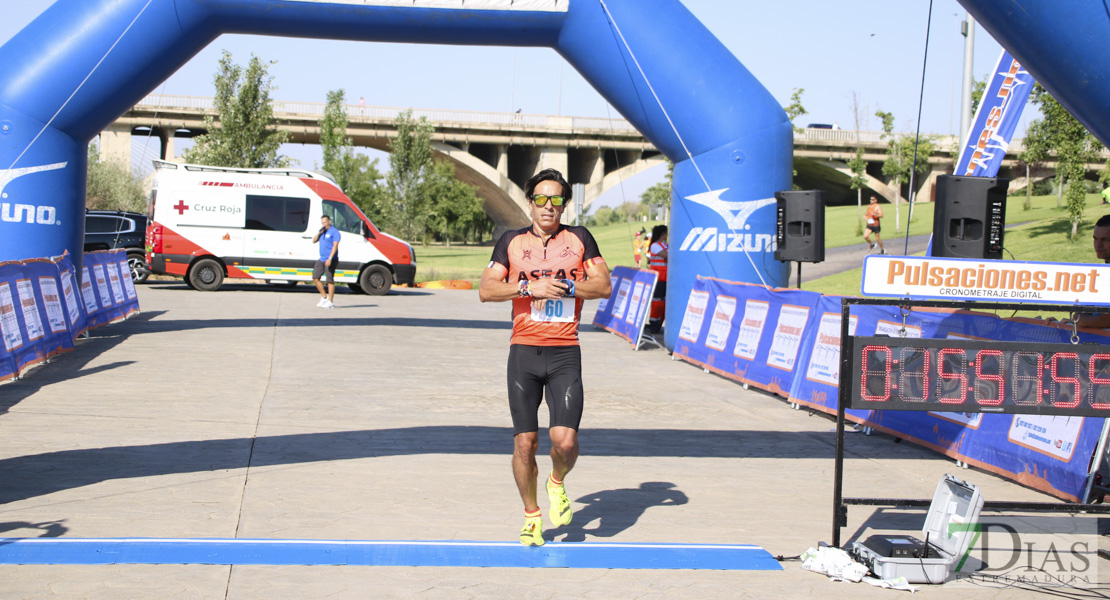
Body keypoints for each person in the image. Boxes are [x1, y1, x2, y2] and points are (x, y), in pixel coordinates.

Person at [478, 168, 612, 547]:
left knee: (565, 442)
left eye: (556, 199)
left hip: (565, 352)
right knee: (524, 444)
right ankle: (532, 516)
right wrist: (528, 286)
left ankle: (556, 482)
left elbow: (603, 285)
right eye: (541, 199)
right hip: (524, 350)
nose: (548, 206)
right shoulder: (511, 242)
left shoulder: (579, 238)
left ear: (565, 203)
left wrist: (568, 285)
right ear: (530, 203)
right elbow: (486, 290)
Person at [1077, 215, 1110, 328]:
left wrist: (1083, 321)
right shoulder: (1101, 272)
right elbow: (1080, 310)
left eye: (1105, 240)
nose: (1098, 245)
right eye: (1095, 239)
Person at [312, 215, 341, 308]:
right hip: (322, 259)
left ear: (329, 221)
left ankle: (330, 302)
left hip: (331, 259)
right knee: (315, 277)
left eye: (325, 222)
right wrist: (319, 233)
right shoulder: (322, 232)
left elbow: (335, 246)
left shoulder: (334, 232)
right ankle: (324, 297)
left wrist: (330, 258)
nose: (323, 224)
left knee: (329, 280)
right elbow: (314, 241)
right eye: (322, 222)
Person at [647, 224, 668, 333]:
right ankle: (654, 323)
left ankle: (659, 322)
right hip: (658, 278)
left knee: (664, 303)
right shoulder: (655, 245)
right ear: (663, 233)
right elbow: (667, 256)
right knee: (657, 302)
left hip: (666, 279)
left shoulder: (667, 245)